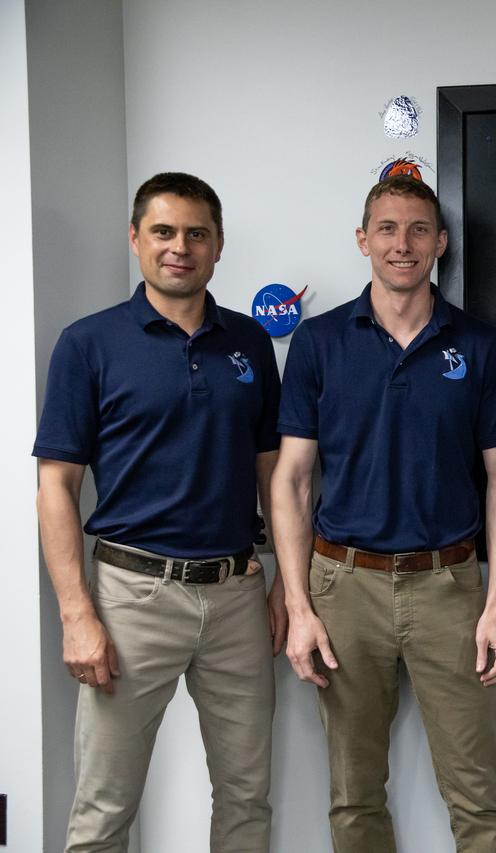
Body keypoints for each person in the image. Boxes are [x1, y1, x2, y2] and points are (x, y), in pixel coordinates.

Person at [272, 175, 496, 852]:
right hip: (342, 587)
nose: (402, 244)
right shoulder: (320, 342)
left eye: (418, 229)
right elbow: (293, 479)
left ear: (440, 243)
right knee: (353, 799)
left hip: (449, 588)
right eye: (386, 228)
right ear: (363, 240)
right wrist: (298, 605)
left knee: (477, 797)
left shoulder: (478, 345)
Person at [34, 172, 286, 852]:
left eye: (196, 234)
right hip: (130, 596)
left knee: (246, 798)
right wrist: (77, 612)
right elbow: (56, 485)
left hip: (237, 594)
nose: (181, 248)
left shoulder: (250, 345)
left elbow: (277, 478)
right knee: (104, 806)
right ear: (136, 239)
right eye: (164, 232)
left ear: (218, 245)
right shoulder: (88, 343)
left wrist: (285, 583)